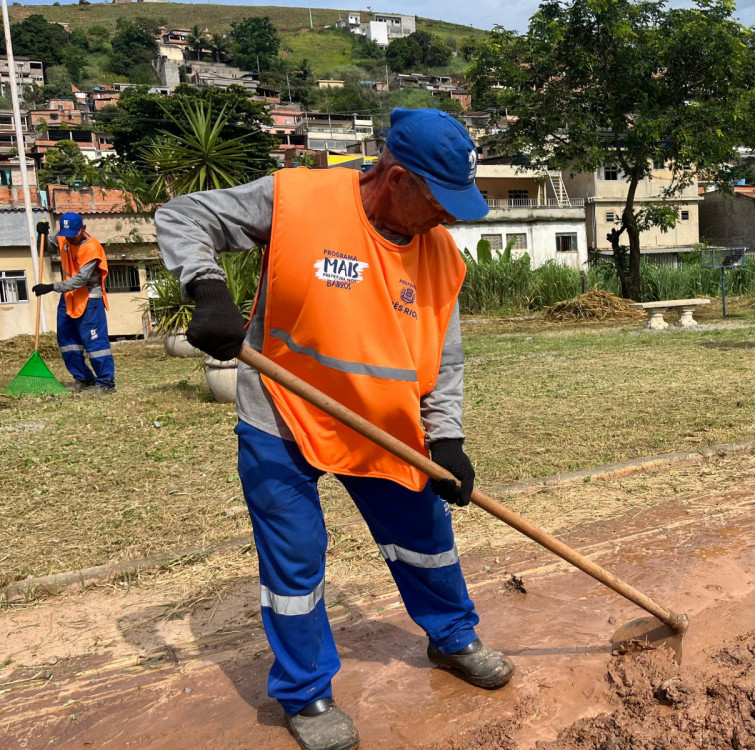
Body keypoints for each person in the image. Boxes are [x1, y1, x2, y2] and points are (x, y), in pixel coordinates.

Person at [155, 108, 512, 750]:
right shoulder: (298, 200)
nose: (450, 218)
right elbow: (183, 216)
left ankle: (453, 637)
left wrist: (448, 439)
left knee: (426, 539)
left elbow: (445, 358)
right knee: (295, 561)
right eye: (440, 200)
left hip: (381, 427)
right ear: (396, 179)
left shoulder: (440, 257)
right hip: (282, 416)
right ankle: (306, 693)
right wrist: (207, 288)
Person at [31, 213, 115, 392]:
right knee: (67, 341)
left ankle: (106, 383)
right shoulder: (64, 236)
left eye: (73, 235)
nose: (69, 238)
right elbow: (44, 248)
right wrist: (41, 235)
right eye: (66, 235)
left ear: (83, 229)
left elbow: (80, 280)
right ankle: (84, 379)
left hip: (89, 299)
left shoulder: (91, 248)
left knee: (95, 343)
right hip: (68, 297)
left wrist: (51, 287)